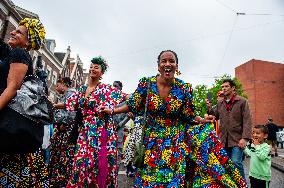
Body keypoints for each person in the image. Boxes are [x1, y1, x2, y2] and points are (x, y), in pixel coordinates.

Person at [99, 50, 246, 187]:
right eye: (164, 61)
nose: (168, 64)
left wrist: (202, 120)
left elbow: (189, 113)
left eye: (172, 61)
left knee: (173, 180)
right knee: (149, 179)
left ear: (176, 66)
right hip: (151, 142)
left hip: (175, 142)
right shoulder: (147, 83)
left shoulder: (184, 88)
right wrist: (112, 110)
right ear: (158, 66)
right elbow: (132, 104)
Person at [55, 56, 127, 187]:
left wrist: (114, 110)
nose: (92, 69)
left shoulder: (106, 89)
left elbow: (128, 97)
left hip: (101, 130)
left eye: (96, 67)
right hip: (85, 131)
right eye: (91, 66)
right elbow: (69, 103)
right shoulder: (82, 89)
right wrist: (53, 105)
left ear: (102, 72)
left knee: (98, 165)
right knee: (80, 163)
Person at [0, 18, 48, 187]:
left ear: (29, 42)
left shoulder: (20, 53)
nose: (13, 32)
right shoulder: (11, 53)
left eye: (19, 32)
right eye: (14, 29)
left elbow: (12, 87)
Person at [207, 79, 252, 179]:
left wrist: (245, 138)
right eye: (222, 87)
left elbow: (247, 120)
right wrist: (210, 108)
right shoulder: (220, 103)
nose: (224, 89)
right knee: (225, 164)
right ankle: (231, 184)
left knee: (235, 162)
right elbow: (215, 116)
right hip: (224, 140)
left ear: (233, 88)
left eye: (226, 86)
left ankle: (241, 184)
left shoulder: (242, 101)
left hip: (237, 139)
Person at [49, 77, 78, 187]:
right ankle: (59, 178)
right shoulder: (68, 94)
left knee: (63, 155)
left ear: (63, 84)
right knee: (60, 155)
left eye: (57, 85)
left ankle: (61, 180)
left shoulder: (71, 93)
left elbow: (72, 111)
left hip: (65, 132)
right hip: (63, 131)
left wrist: (64, 125)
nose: (56, 88)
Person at [112, 81, 131, 163]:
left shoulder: (125, 100)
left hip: (119, 128)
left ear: (120, 88)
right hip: (110, 127)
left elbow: (129, 115)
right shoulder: (110, 99)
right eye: (113, 86)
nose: (114, 88)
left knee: (118, 150)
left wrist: (119, 125)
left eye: (116, 86)